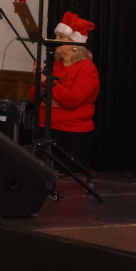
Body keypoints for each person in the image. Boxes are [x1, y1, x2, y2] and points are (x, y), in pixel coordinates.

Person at [30, 11, 99, 169]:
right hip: (45, 130)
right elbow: (33, 96)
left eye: (61, 37)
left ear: (75, 44)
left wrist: (47, 82)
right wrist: (39, 82)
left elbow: (72, 100)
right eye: (56, 36)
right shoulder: (55, 66)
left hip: (70, 135)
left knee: (68, 184)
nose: (55, 41)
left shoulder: (86, 68)